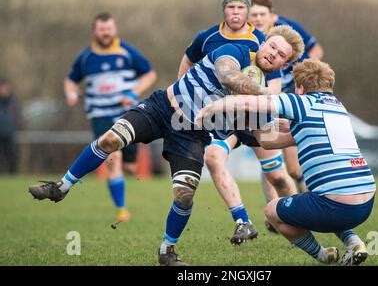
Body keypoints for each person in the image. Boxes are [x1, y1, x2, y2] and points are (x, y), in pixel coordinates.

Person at [29, 24, 304, 266]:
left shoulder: (264, 100)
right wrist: (265, 93)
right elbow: (227, 75)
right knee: (111, 138)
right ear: (265, 41)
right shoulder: (238, 50)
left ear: (283, 65)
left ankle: (166, 250)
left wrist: (300, 130)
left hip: (192, 134)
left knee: (184, 195)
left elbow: (266, 136)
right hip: (161, 109)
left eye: (281, 56)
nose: (273, 54)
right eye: (273, 46)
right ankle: (61, 187)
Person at [196, 59, 376, 265]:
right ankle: (354, 242)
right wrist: (253, 124)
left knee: (272, 210)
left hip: (336, 205)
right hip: (366, 202)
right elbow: (270, 142)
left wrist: (214, 106)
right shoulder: (337, 108)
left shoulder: (301, 102)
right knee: (322, 197)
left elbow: (249, 102)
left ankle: (324, 255)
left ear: (299, 87)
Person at [178, 0, 297, 245]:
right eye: (231, 7)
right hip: (223, 118)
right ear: (224, 9)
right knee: (213, 157)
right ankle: (242, 221)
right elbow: (187, 61)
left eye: (242, 7)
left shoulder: (261, 43)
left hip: (254, 118)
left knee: (277, 176)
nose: (236, 11)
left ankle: (297, 217)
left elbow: (274, 89)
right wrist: (183, 96)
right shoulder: (207, 37)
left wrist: (256, 101)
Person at [63, 12, 157, 222]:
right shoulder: (85, 57)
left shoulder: (128, 52)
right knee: (112, 157)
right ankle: (122, 209)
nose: (106, 33)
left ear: (114, 30)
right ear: (94, 31)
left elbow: (150, 74)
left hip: (127, 113)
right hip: (100, 114)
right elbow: (70, 80)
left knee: (130, 167)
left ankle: (122, 182)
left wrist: (133, 93)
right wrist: (70, 94)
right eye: (101, 29)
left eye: (109, 29)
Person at [249, 0, 325, 226]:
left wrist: (303, 74)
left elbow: (317, 50)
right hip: (265, 102)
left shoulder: (287, 31)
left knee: (292, 167)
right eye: (254, 15)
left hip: (289, 100)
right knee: (269, 156)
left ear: (272, 16)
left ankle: (309, 203)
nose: (258, 19)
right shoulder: (247, 36)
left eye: (262, 14)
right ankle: (275, 213)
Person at [0, 79, 22, 174]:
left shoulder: (13, 102)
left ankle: (13, 174)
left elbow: (17, 116)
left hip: (10, 133)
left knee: (12, 155)